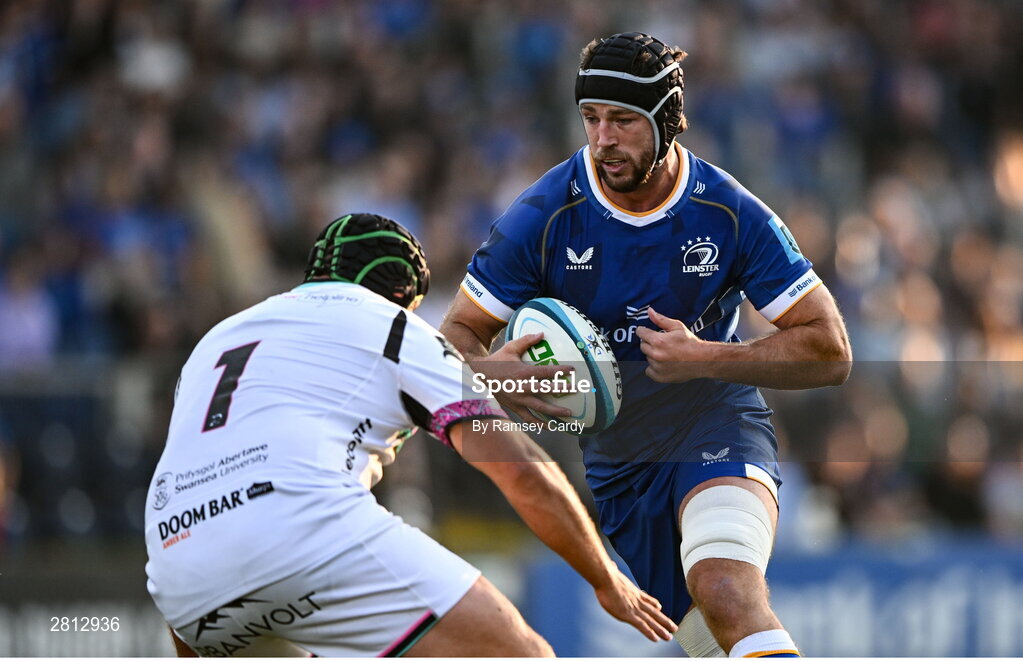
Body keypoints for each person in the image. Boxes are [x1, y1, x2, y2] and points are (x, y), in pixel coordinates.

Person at [440, 33, 852, 658]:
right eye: (591, 118)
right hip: (618, 463)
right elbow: (456, 335)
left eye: (623, 120)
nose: (603, 138)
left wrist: (707, 358)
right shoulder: (544, 214)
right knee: (712, 643)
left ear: (667, 122)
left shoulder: (729, 212)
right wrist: (495, 375)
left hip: (716, 422)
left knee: (726, 588)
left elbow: (831, 349)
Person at [144, 212, 675, 657]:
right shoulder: (393, 324)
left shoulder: (220, 340)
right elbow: (523, 475)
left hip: (180, 579)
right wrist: (607, 580)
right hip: (297, 530)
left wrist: (475, 378)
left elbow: (341, 388)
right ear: (403, 295)